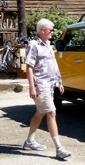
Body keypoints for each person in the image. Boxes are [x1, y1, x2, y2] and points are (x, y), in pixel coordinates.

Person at [22, 18, 71, 159]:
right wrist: (32, 87)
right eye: (50, 30)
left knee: (40, 113)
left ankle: (29, 141)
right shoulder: (33, 45)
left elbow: (53, 65)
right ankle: (59, 148)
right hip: (40, 86)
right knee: (51, 113)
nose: (52, 32)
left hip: (50, 85)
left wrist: (59, 82)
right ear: (42, 30)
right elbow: (29, 67)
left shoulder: (48, 45)